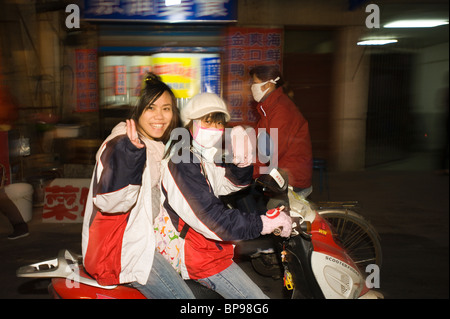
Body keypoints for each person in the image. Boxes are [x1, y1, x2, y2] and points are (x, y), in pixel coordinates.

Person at [159, 92, 292, 299]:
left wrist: (242, 164)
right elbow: (212, 220)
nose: (213, 130)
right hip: (194, 254)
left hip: (206, 247)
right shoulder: (182, 161)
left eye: (218, 124)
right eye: (207, 122)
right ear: (190, 124)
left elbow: (227, 183)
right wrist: (263, 223)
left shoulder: (198, 155)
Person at [81, 73, 194, 299]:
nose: (160, 116)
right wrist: (131, 156)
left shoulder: (155, 147)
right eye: (151, 108)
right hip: (123, 250)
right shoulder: (122, 142)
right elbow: (112, 201)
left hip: (147, 239)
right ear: (138, 110)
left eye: (166, 108)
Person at [250, 64, 313, 198]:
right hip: (279, 172)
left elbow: (273, 150)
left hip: (291, 176)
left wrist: (249, 169)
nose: (252, 87)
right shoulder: (267, 108)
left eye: (255, 83)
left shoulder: (281, 109)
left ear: (268, 85)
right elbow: (258, 141)